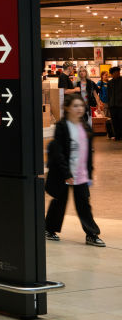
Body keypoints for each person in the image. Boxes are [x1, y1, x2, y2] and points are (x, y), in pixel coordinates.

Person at [45, 94, 104, 246]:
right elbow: (58, 153)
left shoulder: (85, 126)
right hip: (64, 174)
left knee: (84, 204)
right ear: (67, 108)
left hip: (81, 174)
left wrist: (89, 172)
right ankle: (49, 229)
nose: (79, 109)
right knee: (59, 202)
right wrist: (66, 174)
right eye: (75, 106)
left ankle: (91, 234)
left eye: (81, 106)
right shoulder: (62, 126)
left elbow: (88, 153)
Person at [107, 67, 122, 142]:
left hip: (120, 105)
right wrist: (109, 104)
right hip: (112, 105)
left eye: (118, 72)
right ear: (112, 74)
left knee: (121, 120)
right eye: (116, 72)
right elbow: (109, 94)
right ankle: (117, 136)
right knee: (114, 121)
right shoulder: (109, 83)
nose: (118, 73)